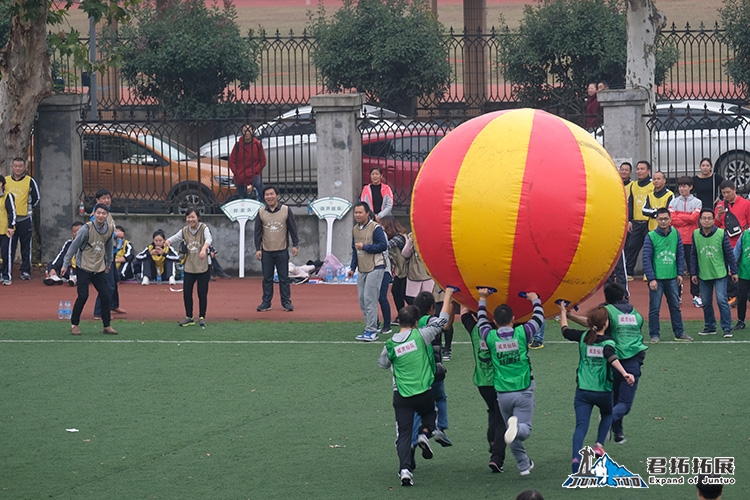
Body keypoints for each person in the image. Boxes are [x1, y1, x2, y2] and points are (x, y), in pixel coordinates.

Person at [377, 287, 454, 487]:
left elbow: (383, 364)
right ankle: (424, 433)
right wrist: (447, 295)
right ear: (416, 321)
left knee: (403, 434)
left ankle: (405, 470)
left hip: (401, 395)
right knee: (431, 414)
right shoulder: (422, 335)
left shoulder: (390, 344)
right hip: (423, 392)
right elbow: (443, 320)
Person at [558, 302, 635, 474]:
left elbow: (564, 330)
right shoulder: (608, 342)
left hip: (583, 391)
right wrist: (625, 373)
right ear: (606, 324)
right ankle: (599, 445)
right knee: (607, 413)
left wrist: (563, 311)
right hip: (603, 391)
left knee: (581, 427)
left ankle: (576, 459)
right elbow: (611, 357)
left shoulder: (584, 337)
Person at [477, 288, 545, 476]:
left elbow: (481, 321)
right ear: (513, 319)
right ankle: (518, 427)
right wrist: (535, 299)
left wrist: (482, 298)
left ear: (495, 322)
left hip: (502, 394)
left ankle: (523, 464)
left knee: (510, 433)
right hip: (523, 390)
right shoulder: (522, 333)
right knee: (524, 430)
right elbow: (538, 318)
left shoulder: (490, 336)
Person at [460, 305, 507, 473]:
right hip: (500, 382)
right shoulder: (500, 334)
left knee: (493, 410)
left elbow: (464, 313)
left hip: (482, 383)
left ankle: (493, 441)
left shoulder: (474, 331)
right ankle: (497, 458)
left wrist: (473, 300)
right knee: (501, 419)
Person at [61, 203, 117, 335]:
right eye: (98, 213)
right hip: (84, 267)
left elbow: (109, 248)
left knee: (105, 295)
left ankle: (107, 325)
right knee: (83, 295)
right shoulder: (86, 229)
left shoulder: (109, 229)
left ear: (107, 215)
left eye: (103, 213)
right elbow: (73, 246)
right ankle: (74, 324)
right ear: (93, 214)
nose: (101, 216)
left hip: (99, 268)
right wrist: (65, 263)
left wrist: (109, 263)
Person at [642, 208, 693, 342]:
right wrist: (651, 278)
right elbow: (646, 258)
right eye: (660, 219)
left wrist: (680, 273)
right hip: (657, 279)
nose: (663, 221)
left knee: (675, 307)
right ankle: (654, 334)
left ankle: (679, 332)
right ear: (657, 220)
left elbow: (680, 254)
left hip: (672, 278)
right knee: (654, 308)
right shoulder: (651, 236)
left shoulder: (676, 233)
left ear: (670, 219)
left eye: (666, 219)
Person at [691, 208, 738, 338]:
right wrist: (693, 273)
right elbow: (693, 255)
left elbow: (729, 254)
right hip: (703, 274)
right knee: (705, 302)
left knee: (722, 300)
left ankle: (727, 328)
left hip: (720, 273)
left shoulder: (721, 234)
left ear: (713, 220)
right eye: (704, 218)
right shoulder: (695, 234)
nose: (706, 221)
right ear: (700, 220)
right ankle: (710, 326)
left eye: (709, 218)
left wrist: (734, 271)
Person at [255, 185, 299, 312]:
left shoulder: (285, 210)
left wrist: (295, 245)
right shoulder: (261, 212)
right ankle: (266, 302)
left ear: (277, 196)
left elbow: (293, 228)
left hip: (282, 250)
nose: (269, 197)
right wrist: (257, 248)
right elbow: (257, 232)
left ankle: (286, 302)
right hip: (266, 251)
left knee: (284, 278)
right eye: (267, 195)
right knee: (267, 278)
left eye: (271, 194)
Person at [166, 208, 212, 327]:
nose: (190, 219)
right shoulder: (185, 230)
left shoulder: (204, 228)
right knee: (187, 292)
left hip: (203, 266)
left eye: (193, 217)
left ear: (198, 217)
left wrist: (203, 249)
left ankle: (202, 316)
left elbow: (209, 239)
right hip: (190, 266)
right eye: (188, 217)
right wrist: (167, 242)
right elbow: (175, 237)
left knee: (202, 292)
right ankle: (189, 317)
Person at [348, 201, 387, 341]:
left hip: (376, 266)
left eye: (360, 212)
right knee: (362, 299)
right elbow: (354, 250)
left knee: (370, 298)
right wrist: (352, 268)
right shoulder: (355, 229)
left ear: (367, 213)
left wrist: (365, 247)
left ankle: (372, 330)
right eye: (356, 212)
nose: (357, 215)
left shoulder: (375, 228)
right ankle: (370, 326)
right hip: (362, 268)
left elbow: (383, 245)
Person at [669, 176, 703, 307]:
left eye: (685, 186)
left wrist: (680, 217)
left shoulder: (697, 202)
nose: (682, 188)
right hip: (677, 239)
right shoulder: (673, 202)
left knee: (693, 268)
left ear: (691, 187)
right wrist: (686, 218)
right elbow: (672, 219)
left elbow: (695, 218)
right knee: (676, 268)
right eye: (680, 186)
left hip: (691, 239)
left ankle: (696, 295)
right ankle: (677, 295)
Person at [92, 189, 126, 318]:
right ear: (97, 200)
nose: (107, 200)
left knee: (114, 280)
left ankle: (113, 305)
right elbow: (98, 230)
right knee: (107, 283)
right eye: (103, 198)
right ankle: (99, 312)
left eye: (108, 197)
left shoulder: (107, 213)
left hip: (110, 252)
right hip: (103, 254)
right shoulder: (97, 214)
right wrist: (115, 234)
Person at [5, 157, 40, 281]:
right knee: (9, 247)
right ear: (12, 167)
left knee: (26, 246)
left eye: (20, 166)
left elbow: (36, 198)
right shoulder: (6, 180)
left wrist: (27, 209)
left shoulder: (30, 181)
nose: (18, 168)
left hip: (25, 219)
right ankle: (6, 271)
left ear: (24, 167)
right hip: (10, 221)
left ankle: (25, 270)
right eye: (16, 166)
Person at [624, 161, 654, 278]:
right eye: (638, 169)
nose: (639, 171)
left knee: (648, 249)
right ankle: (629, 272)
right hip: (636, 222)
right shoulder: (633, 185)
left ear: (648, 171)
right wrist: (630, 220)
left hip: (649, 222)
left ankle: (648, 272)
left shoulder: (652, 184)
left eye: (642, 169)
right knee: (631, 247)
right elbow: (630, 203)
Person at [229, 124, 266, 200]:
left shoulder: (257, 145)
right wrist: (237, 172)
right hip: (240, 176)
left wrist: (255, 171)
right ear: (242, 132)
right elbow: (232, 161)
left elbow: (263, 161)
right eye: (245, 130)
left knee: (262, 192)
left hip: (254, 175)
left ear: (252, 131)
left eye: (249, 130)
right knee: (242, 199)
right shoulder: (238, 145)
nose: (247, 133)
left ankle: (265, 206)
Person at [380, 215, 408, 315]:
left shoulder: (399, 237)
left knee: (406, 294)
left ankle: (416, 314)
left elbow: (386, 246)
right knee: (396, 291)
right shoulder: (392, 237)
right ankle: (401, 314)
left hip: (408, 270)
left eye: (382, 225)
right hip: (400, 271)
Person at [45, 221, 83, 286]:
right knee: (51, 264)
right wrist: (53, 268)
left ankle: (75, 278)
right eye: (74, 231)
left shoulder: (89, 243)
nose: (76, 233)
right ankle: (54, 276)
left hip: (85, 270)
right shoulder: (69, 243)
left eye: (79, 231)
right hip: (71, 269)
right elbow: (61, 256)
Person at [402, 231, 434, 304]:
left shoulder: (431, 236)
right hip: (415, 274)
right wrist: (411, 241)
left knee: (428, 300)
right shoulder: (412, 236)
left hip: (428, 274)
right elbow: (405, 254)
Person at [0, 175, 17, 285]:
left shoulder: (7, 196)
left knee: (6, 254)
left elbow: (12, 212)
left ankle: (6, 276)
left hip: (5, 231)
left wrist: (11, 226)